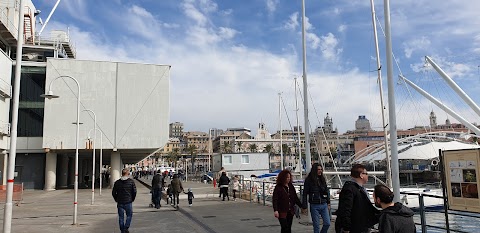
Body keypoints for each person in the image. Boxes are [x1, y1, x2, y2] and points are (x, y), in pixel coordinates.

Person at [335, 164, 379, 233]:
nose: (368, 175)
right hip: (354, 227)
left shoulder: (358, 188)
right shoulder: (350, 189)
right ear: (361, 175)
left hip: (360, 226)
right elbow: (345, 209)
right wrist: (346, 228)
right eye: (366, 173)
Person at [302, 163, 331, 233]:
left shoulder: (322, 179)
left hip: (323, 204)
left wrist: (328, 202)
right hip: (314, 205)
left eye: (321, 169)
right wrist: (304, 206)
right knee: (316, 226)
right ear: (314, 170)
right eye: (318, 169)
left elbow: (326, 191)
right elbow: (305, 193)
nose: (320, 171)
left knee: (327, 223)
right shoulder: (309, 180)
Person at [112, 168, 137, 233]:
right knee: (129, 215)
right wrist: (132, 199)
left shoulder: (117, 182)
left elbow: (113, 192)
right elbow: (134, 191)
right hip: (128, 201)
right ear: (127, 174)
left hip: (120, 202)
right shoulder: (131, 182)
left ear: (122, 174)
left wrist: (116, 199)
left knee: (121, 217)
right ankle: (126, 227)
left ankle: (122, 230)